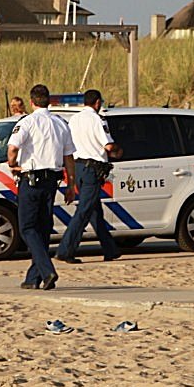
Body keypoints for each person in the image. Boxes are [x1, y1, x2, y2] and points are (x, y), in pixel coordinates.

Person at [7, 84, 76, 291]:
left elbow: (12, 149)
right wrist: (71, 184)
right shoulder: (61, 123)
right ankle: (33, 278)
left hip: (31, 179)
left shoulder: (27, 122)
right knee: (43, 229)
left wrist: (12, 164)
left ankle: (47, 271)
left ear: (31, 102)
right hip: (51, 181)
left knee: (27, 227)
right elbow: (69, 157)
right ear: (49, 100)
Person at [56, 89, 123, 264]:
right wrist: (119, 151)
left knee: (94, 211)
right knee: (84, 211)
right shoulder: (97, 119)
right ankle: (66, 250)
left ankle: (110, 249)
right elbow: (108, 146)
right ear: (98, 102)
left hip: (78, 167)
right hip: (92, 169)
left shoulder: (74, 119)